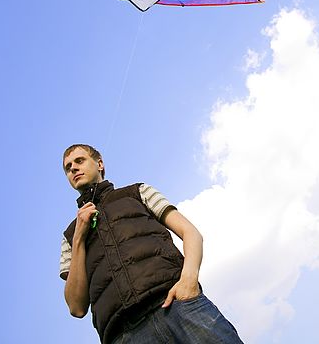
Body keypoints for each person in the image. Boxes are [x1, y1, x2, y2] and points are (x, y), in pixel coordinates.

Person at [60, 144, 244, 344]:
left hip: (178, 306)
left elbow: (190, 233)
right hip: (123, 335)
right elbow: (76, 307)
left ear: (100, 164)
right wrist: (79, 237)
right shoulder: (70, 235)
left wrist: (188, 281)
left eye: (79, 161)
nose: (73, 169)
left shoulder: (137, 192)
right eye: (68, 167)